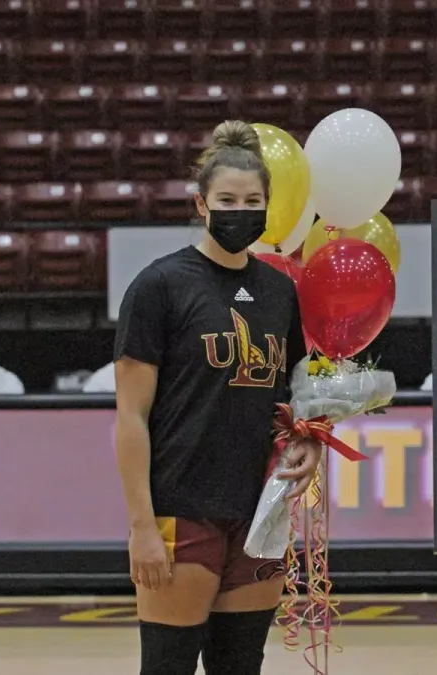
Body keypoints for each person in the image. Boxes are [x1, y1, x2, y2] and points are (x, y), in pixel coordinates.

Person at [114, 120, 318, 675]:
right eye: (227, 199)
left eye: (252, 201)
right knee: (168, 665)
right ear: (201, 204)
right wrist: (140, 527)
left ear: (268, 207)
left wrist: (310, 443)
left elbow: (292, 395)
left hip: (260, 513)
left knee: (240, 665)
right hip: (183, 508)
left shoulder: (280, 292)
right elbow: (130, 416)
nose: (239, 210)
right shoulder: (160, 286)